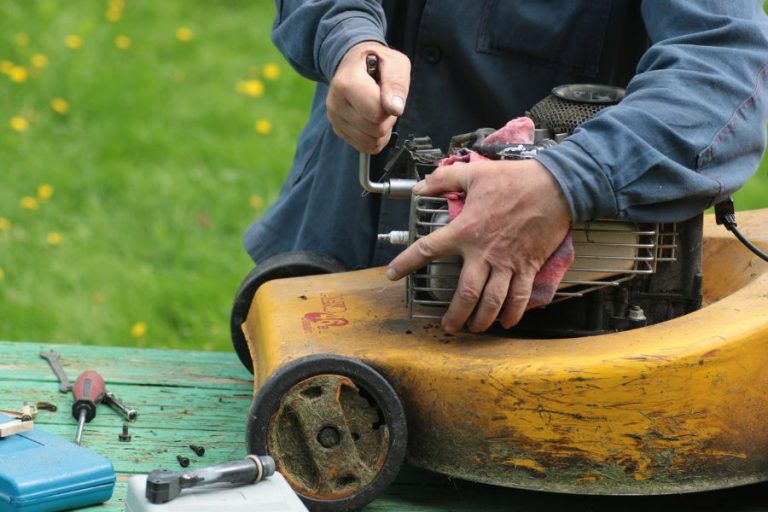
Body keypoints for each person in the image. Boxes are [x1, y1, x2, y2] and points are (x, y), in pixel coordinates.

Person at [244, 1, 768, 334]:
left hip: (537, 326)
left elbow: (724, 69)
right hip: (326, 248)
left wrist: (568, 180)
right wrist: (347, 37)